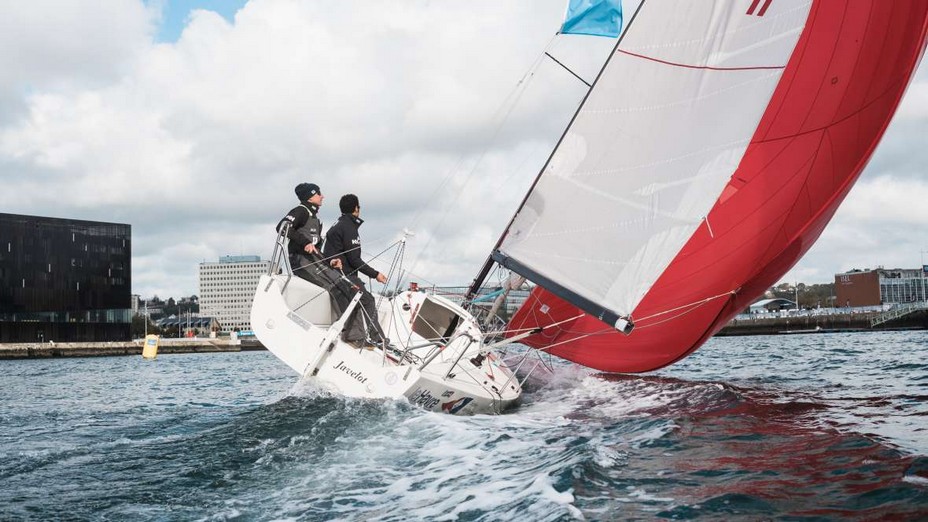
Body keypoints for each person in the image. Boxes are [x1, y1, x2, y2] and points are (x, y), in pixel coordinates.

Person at [276, 183, 367, 343]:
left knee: (350, 288)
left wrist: (330, 260)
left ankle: (358, 335)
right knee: (340, 287)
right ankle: (352, 337)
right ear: (310, 196)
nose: (322, 196)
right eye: (319, 194)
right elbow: (282, 227)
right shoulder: (301, 211)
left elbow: (316, 248)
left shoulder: (314, 217)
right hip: (302, 261)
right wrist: (304, 242)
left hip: (314, 261)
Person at [323, 193, 390, 348]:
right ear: (356, 208)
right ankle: (378, 339)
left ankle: (355, 338)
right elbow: (354, 260)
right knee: (367, 301)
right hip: (346, 275)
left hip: (334, 275)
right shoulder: (349, 228)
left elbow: (328, 253)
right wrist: (376, 274)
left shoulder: (336, 226)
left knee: (356, 303)